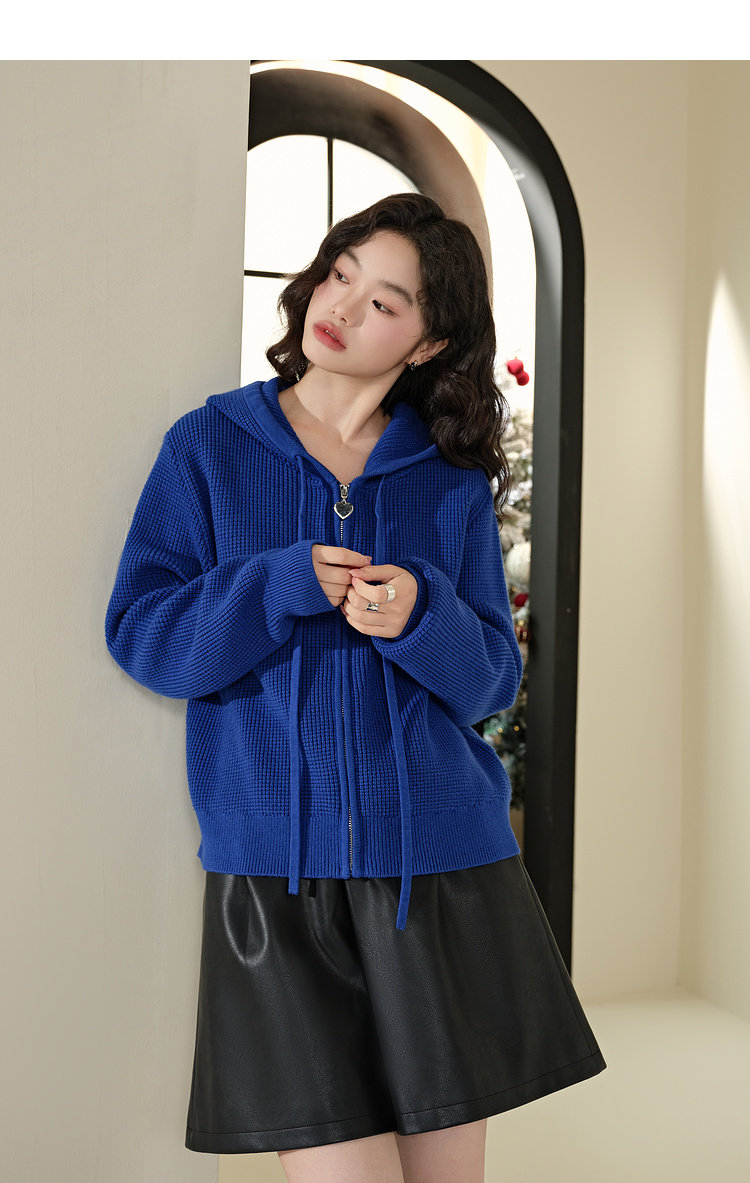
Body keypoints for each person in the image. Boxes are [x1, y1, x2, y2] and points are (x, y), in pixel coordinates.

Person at [105, 192, 606, 1183]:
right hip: (279, 887)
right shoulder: (207, 447)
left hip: (442, 875)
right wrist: (274, 584)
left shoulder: (447, 478)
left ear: (429, 342)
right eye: (341, 275)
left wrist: (419, 616)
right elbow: (146, 636)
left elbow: (491, 682)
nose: (341, 307)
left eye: (385, 302)